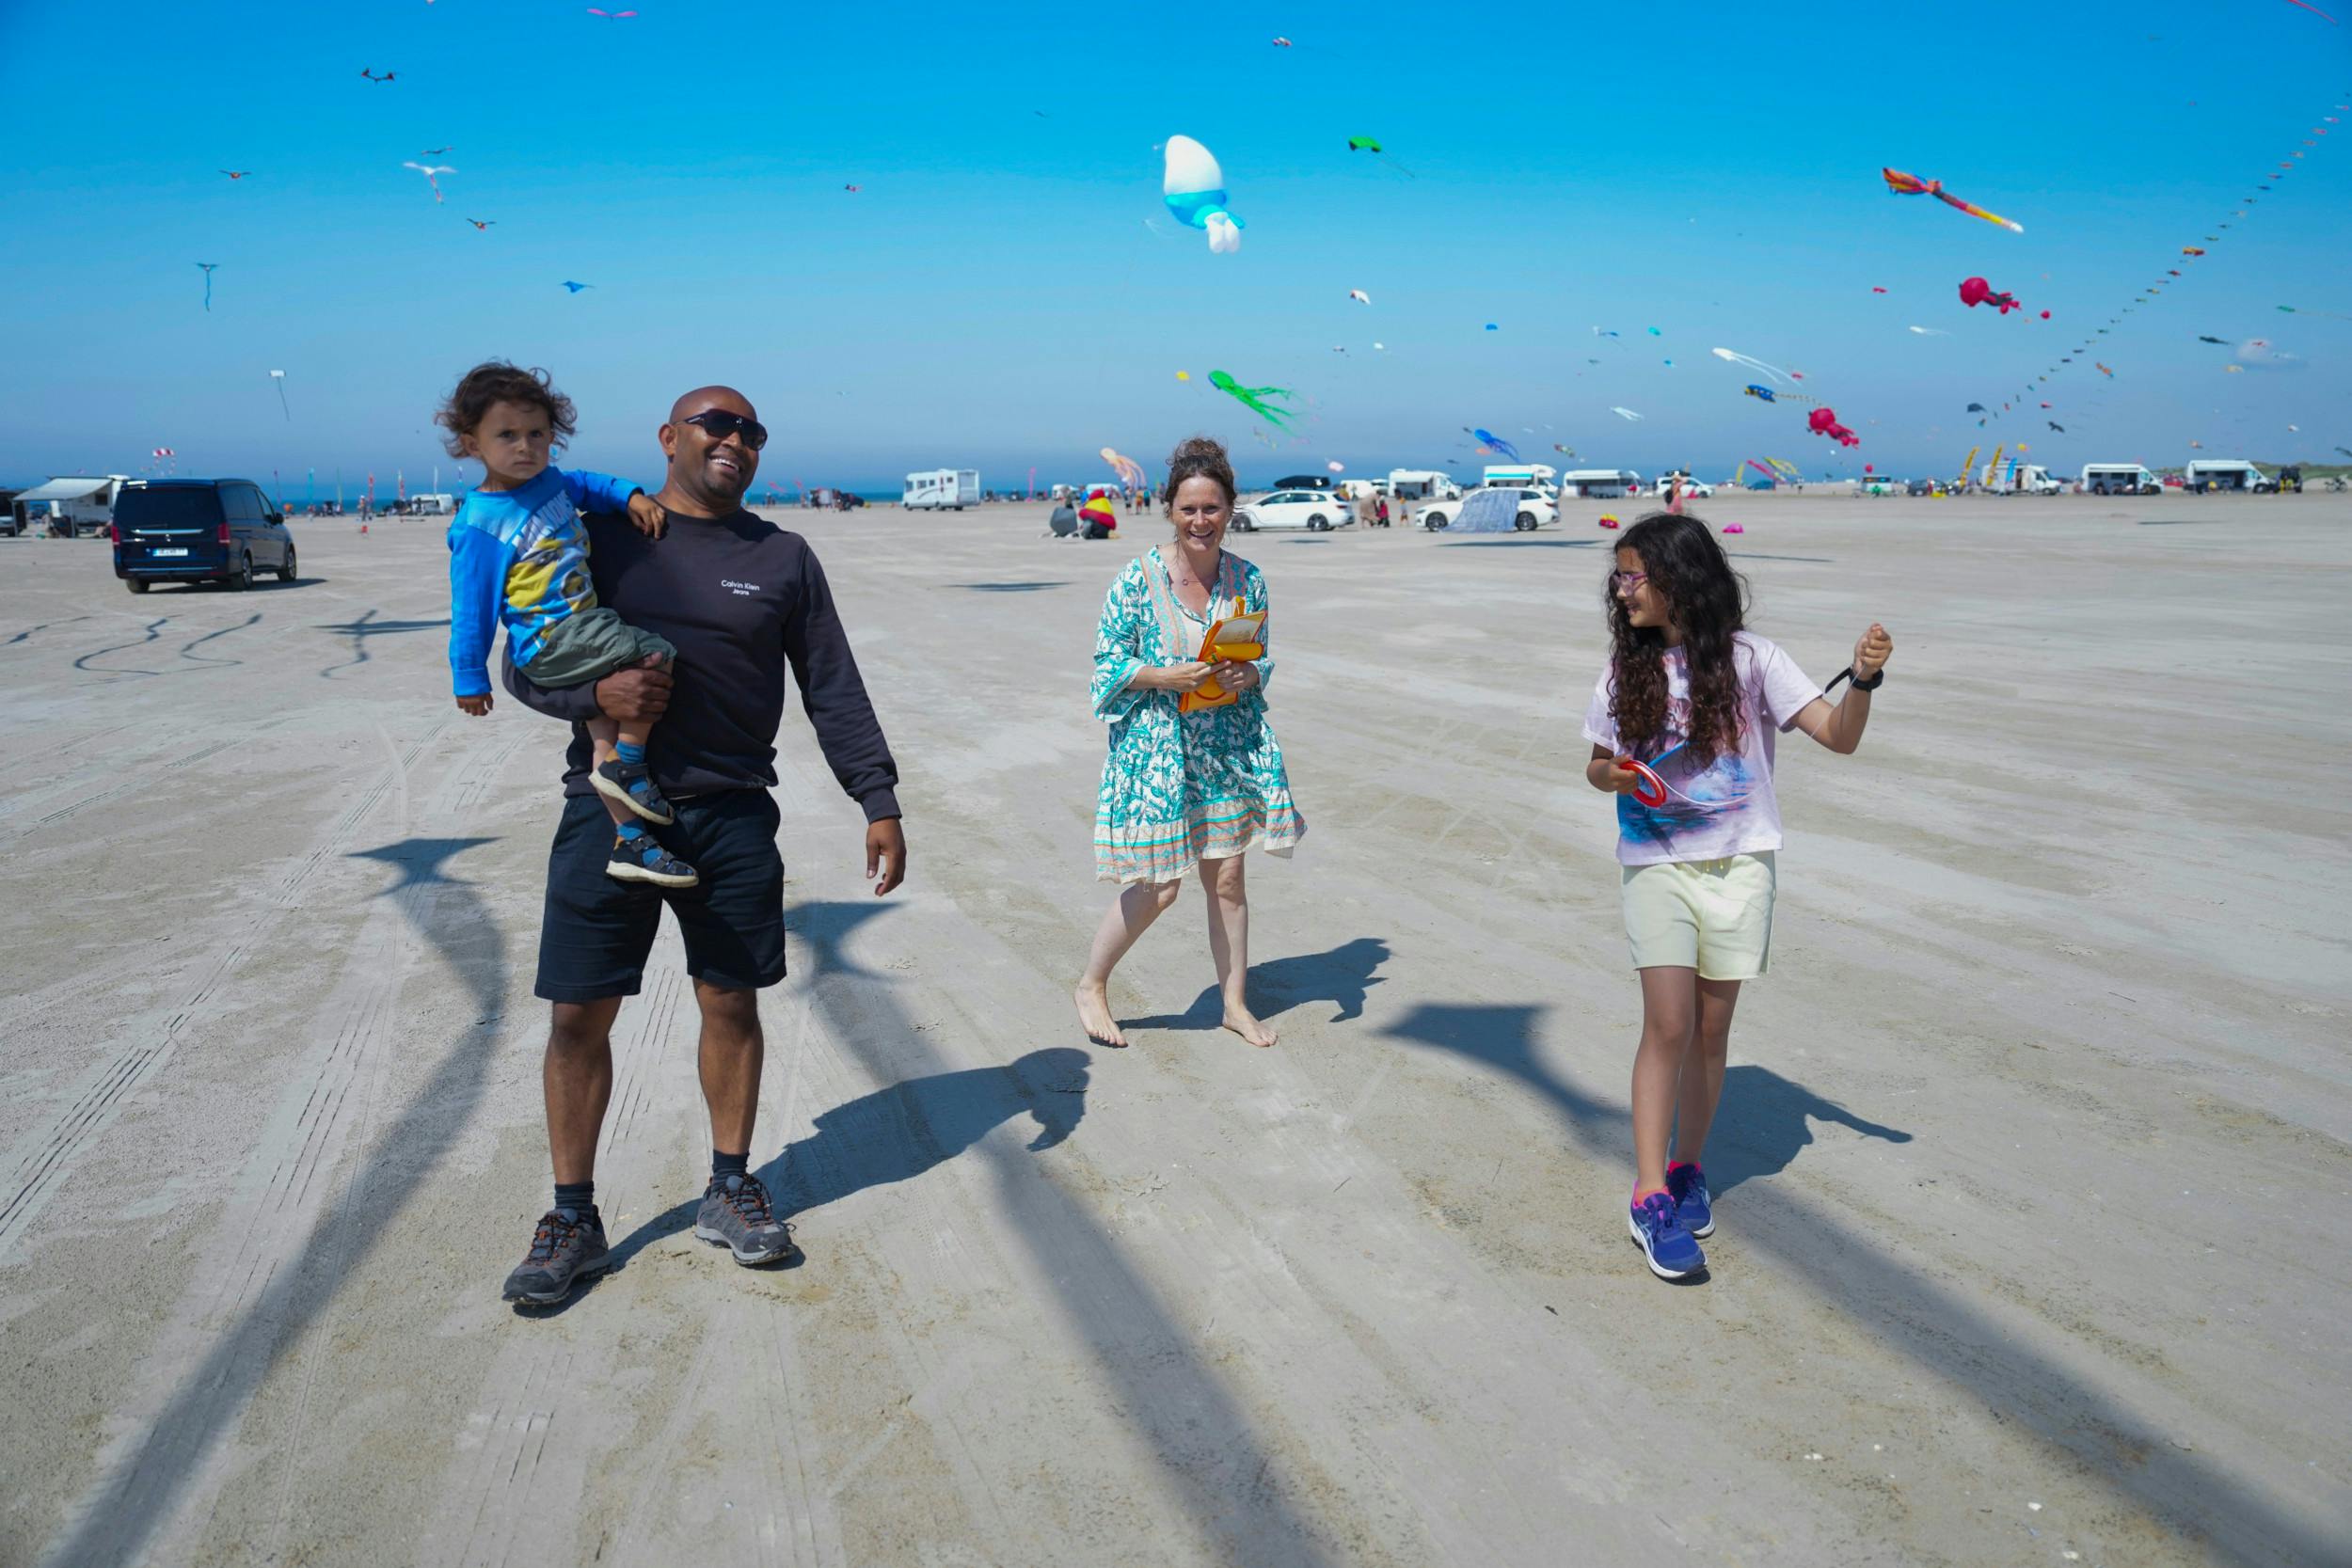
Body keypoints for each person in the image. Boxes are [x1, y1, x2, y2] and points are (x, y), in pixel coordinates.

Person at [495, 385, 909, 1307]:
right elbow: (521, 660)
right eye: (716, 423)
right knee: (576, 1015)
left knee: (730, 1002)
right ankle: (572, 1213)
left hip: (731, 815)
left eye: (751, 430)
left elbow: (832, 687)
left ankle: (729, 1184)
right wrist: (593, 702)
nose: (735, 439)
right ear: (668, 436)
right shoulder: (602, 538)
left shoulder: (784, 557)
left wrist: (875, 796)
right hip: (606, 808)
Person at [1581, 513, 1891, 1281]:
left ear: (1678, 580)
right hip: (1657, 860)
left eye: (1633, 577)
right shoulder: (1626, 671)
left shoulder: (1755, 659)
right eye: (1619, 577)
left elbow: (1839, 735)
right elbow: (1595, 763)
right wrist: (1613, 775)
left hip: (1742, 864)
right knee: (1669, 1022)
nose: (1621, 592)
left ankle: (1687, 1166)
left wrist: (1863, 679)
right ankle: (1650, 1192)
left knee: (1711, 1034)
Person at [1074, 436, 1306, 1051]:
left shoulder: (1246, 580)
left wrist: (1247, 674)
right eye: (1189, 509)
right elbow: (1104, 669)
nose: (1201, 521)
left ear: (1230, 508)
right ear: (1170, 510)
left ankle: (1233, 1003)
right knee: (1159, 883)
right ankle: (1092, 983)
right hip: (1156, 752)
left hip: (1224, 745)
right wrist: (1161, 675)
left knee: (1228, 878)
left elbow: (1260, 658)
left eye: (1212, 508)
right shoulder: (1136, 578)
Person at [439, 361, 698, 890]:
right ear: (472, 443)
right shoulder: (479, 525)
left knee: (599, 739)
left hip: (582, 634)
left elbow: (588, 484)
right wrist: (469, 677)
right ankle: (631, 763)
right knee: (654, 652)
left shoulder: (552, 483)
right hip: (553, 639)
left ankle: (634, 844)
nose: (525, 447)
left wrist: (629, 495)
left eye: (537, 434)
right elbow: (471, 609)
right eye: (506, 435)